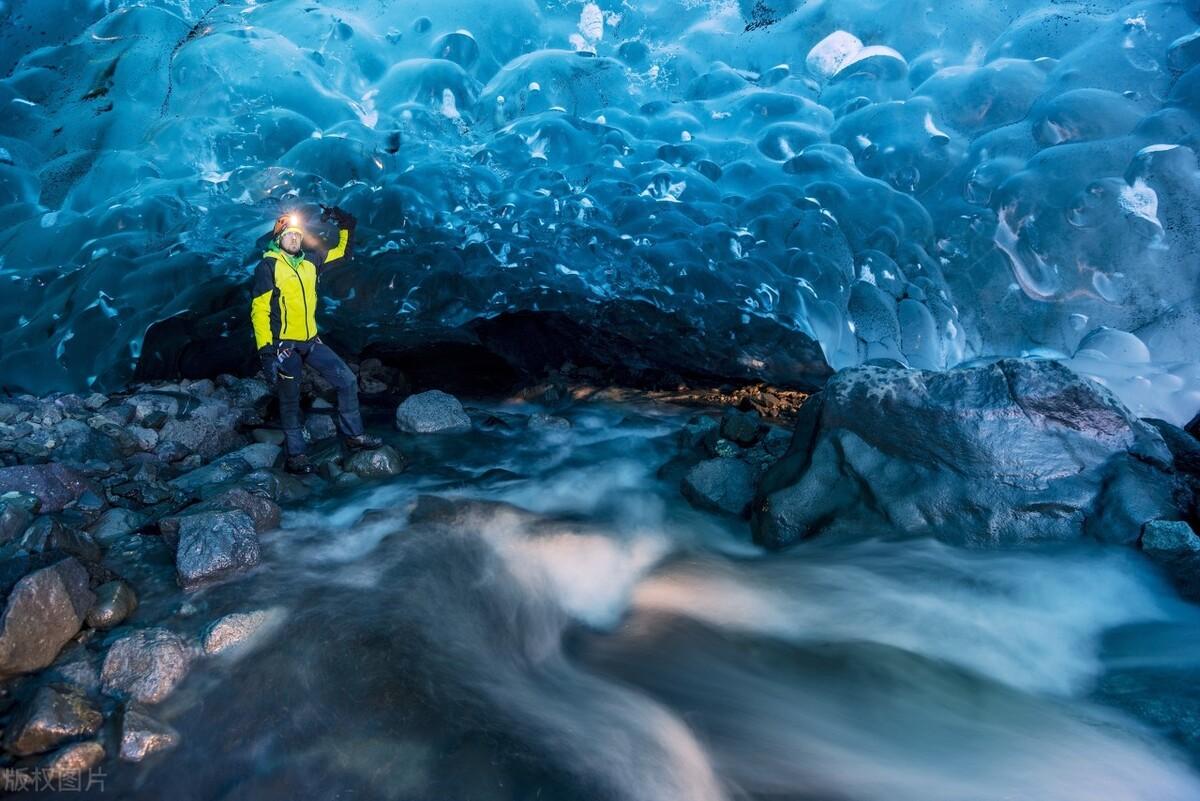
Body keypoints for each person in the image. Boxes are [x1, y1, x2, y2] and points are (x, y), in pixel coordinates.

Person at [250, 206, 380, 474]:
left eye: (298, 235)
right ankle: (297, 455)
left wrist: (347, 226)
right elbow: (259, 310)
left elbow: (342, 253)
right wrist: (266, 353)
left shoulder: (311, 261)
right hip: (284, 346)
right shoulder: (269, 266)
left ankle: (354, 436)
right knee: (289, 399)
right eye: (289, 235)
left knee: (346, 380)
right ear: (278, 239)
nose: (295, 239)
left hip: (311, 341)